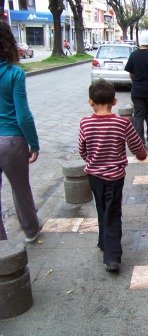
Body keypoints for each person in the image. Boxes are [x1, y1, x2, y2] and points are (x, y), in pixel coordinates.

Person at [78, 79, 147, 272]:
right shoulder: (122, 122)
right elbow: (137, 146)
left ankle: (103, 242)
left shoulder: (85, 123)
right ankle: (112, 257)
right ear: (114, 102)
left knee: (101, 207)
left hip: (94, 176)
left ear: (90, 101)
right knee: (113, 211)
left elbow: (82, 150)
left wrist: (91, 159)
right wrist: (141, 156)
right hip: (115, 177)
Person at [0, 20, 41, 242]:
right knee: (20, 188)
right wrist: (33, 143)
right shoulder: (14, 74)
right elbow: (22, 115)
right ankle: (30, 230)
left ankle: (3, 245)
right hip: (11, 141)